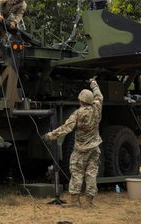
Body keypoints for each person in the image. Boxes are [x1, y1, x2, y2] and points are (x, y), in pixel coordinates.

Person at [43, 78, 103, 207]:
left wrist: (50, 135)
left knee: (76, 173)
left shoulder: (78, 114)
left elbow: (65, 128)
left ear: (80, 100)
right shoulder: (97, 107)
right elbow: (99, 95)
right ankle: (89, 202)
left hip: (81, 149)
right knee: (91, 174)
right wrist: (94, 84)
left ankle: (75, 201)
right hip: (95, 148)